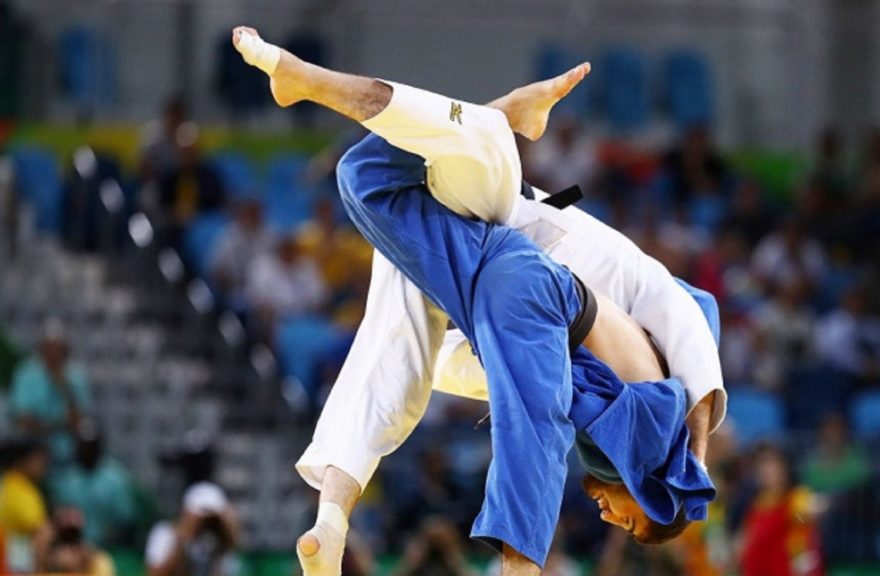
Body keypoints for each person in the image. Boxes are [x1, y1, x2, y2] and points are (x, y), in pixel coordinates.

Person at [233, 27, 722, 575]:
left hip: (491, 290)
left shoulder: (622, 405)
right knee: (522, 412)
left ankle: (331, 518)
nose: (610, 520)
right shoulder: (660, 423)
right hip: (531, 260)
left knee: (365, 185)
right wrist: (696, 460)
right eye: (631, 522)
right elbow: (695, 331)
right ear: (654, 494)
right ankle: (514, 564)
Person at [10, 320, 91, 468]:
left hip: (66, 453)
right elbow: (23, 421)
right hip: (32, 452)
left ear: (66, 352)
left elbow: (78, 421)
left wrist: (65, 388)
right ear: (42, 349)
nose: (53, 355)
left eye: (58, 350)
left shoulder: (76, 377)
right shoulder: (26, 374)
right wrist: (59, 425)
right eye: (49, 349)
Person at [736, 443, 823, 576]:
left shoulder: (797, 498)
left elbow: (809, 521)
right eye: (761, 464)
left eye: (773, 463)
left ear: (786, 467)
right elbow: (743, 543)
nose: (766, 469)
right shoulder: (755, 504)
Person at [49, 421, 138, 548]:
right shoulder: (66, 478)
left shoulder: (115, 478)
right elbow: (59, 517)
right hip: (73, 547)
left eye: (91, 445)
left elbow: (126, 522)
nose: (87, 450)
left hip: (109, 547)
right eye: (84, 445)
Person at [144, 482, 242, 576]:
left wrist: (228, 531)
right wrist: (182, 540)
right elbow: (155, 573)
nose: (207, 523)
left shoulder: (217, 542)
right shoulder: (166, 533)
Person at [0, 438, 48, 573]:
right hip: (18, 566)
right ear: (20, 462)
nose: (43, 465)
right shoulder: (22, 492)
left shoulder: (6, 485)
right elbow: (41, 534)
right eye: (37, 459)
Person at [33, 507, 115, 576]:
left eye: (73, 540)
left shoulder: (98, 561)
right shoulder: (41, 559)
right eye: (64, 540)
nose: (67, 550)